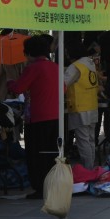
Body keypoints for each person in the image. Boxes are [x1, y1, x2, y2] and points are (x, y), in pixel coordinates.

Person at [7, 35, 59, 200]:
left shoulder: (33, 68)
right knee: (50, 152)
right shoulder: (55, 67)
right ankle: (52, 185)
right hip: (55, 116)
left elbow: (18, 87)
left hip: (37, 117)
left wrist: (9, 81)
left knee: (36, 154)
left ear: (29, 53)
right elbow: (63, 88)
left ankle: (39, 187)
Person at [64, 40, 100, 168]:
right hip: (92, 105)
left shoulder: (75, 66)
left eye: (67, 52)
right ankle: (91, 168)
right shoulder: (90, 63)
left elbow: (63, 83)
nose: (66, 55)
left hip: (80, 107)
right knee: (90, 140)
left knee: (83, 141)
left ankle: (88, 169)